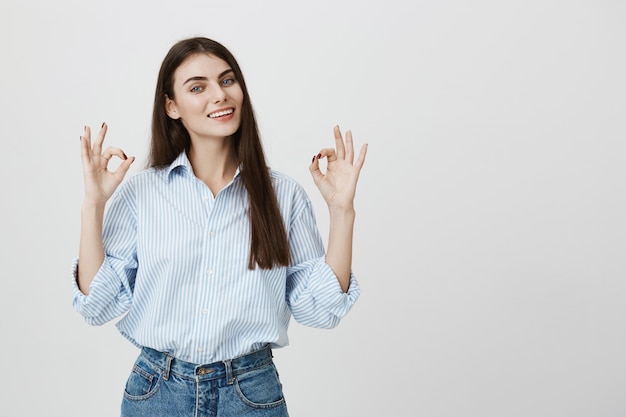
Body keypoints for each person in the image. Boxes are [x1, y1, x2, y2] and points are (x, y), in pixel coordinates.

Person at [72, 36, 367, 417]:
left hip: (251, 393)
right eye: (198, 87)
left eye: (227, 81)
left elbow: (322, 310)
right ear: (171, 106)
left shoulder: (284, 196)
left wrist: (342, 211)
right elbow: (97, 305)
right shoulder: (142, 194)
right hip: (157, 393)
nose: (220, 95)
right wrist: (93, 205)